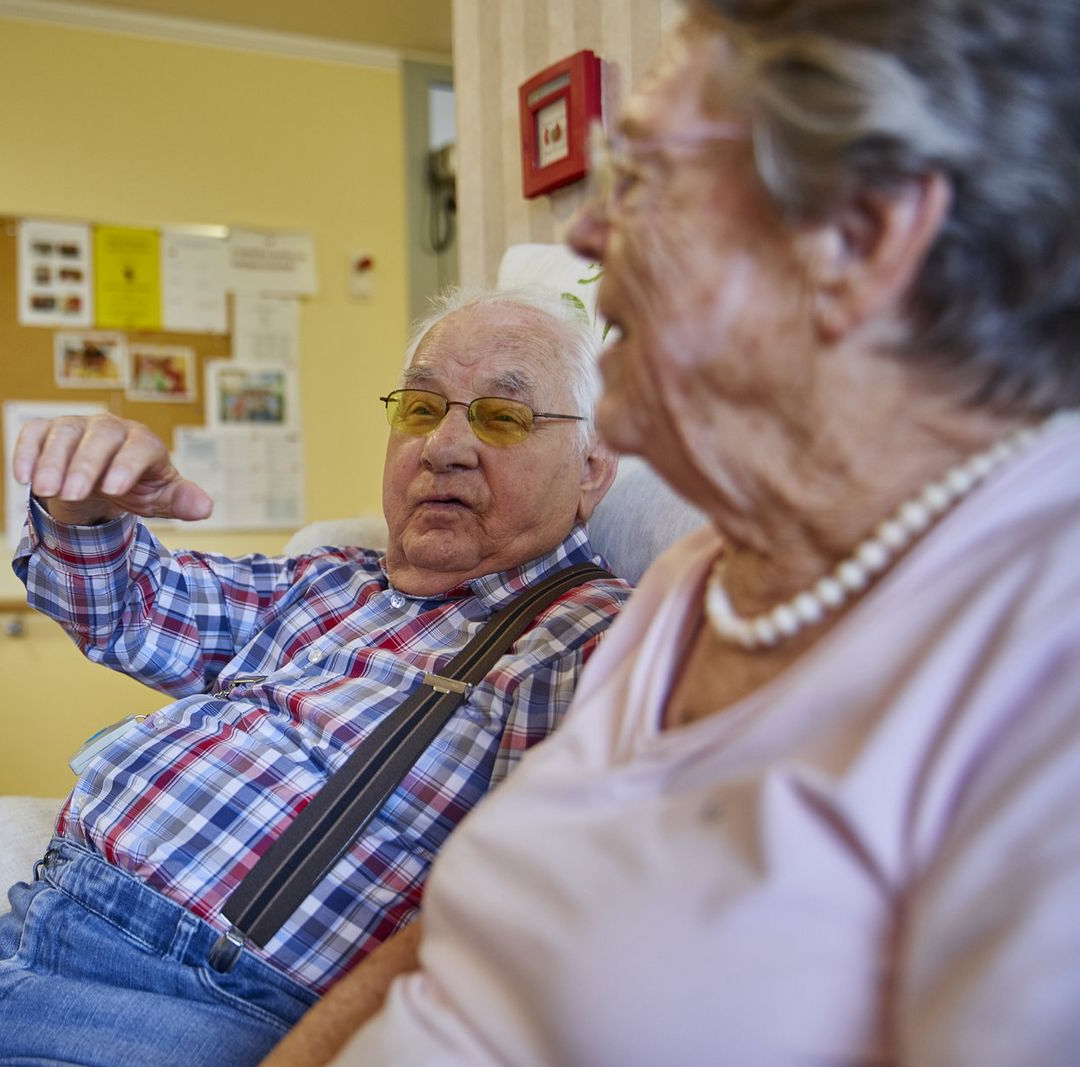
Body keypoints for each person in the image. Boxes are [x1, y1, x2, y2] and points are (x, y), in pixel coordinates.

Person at [266, 3, 1080, 1064]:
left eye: (645, 178)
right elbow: (463, 936)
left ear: (862, 237)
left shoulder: (1036, 658)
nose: (583, 232)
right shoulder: (702, 571)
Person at [0, 285, 629, 1065]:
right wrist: (86, 512)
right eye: (421, 407)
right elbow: (128, 604)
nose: (445, 443)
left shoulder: (586, 643)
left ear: (593, 469)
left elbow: (563, 918)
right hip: (9, 950)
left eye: (503, 414)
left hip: (178, 1006)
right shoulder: (330, 580)